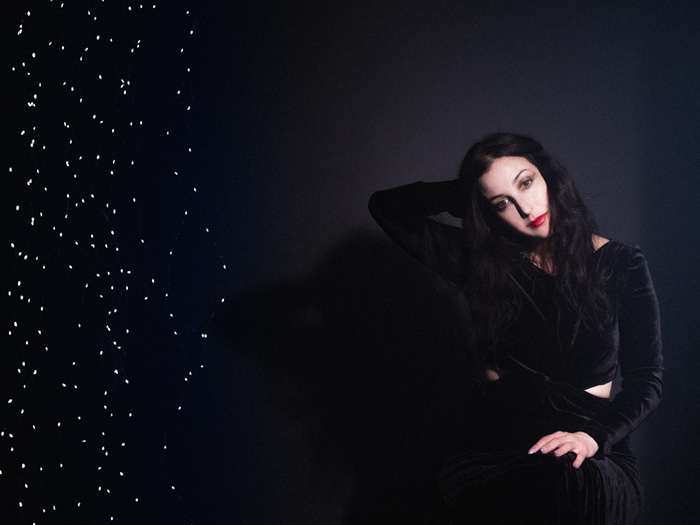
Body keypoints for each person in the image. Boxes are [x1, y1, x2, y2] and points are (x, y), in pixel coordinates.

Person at [368, 133, 663, 524]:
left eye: (525, 182)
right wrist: (471, 190)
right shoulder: (482, 262)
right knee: (529, 489)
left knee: (567, 481)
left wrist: (591, 438)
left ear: (549, 176)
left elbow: (646, 382)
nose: (525, 208)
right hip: (498, 447)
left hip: (590, 443)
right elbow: (386, 207)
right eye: (502, 202)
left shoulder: (621, 263)